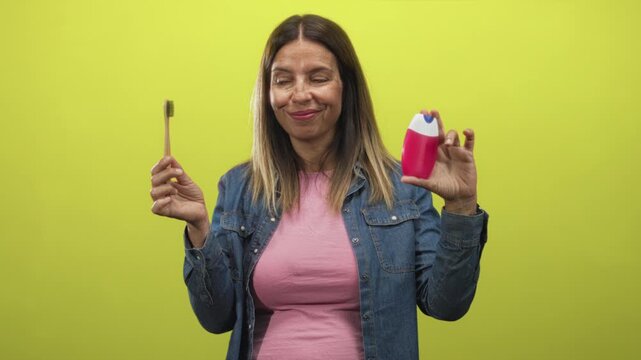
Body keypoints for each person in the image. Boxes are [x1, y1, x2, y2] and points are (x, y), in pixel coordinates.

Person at [150, 14, 489, 360]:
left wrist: (461, 206)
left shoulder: (400, 188)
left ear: (347, 87)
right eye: (283, 80)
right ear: (268, 93)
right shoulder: (240, 188)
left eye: (318, 78)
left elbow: (447, 305)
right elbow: (216, 318)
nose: (300, 94)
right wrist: (199, 230)